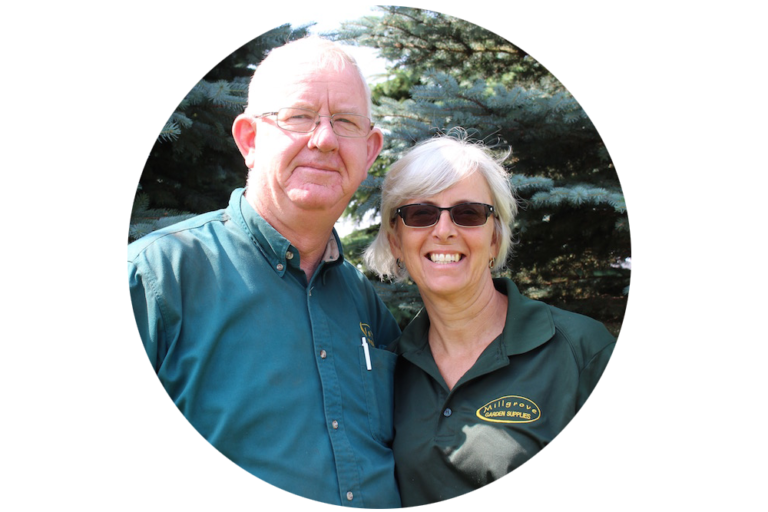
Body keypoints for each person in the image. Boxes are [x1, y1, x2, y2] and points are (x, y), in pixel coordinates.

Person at [128, 37, 402, 509]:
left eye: (346, 121)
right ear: (250, 139)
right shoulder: (155, 280)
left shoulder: (364, 304)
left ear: (370, 150)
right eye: (299, 116)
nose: (324, 139)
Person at [364, 133, 616, 507]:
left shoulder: (582, 352)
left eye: (468, 213)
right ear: (396, 240)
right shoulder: (391, 369)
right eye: (421, 214)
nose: (444, 230)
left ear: (495, 238)